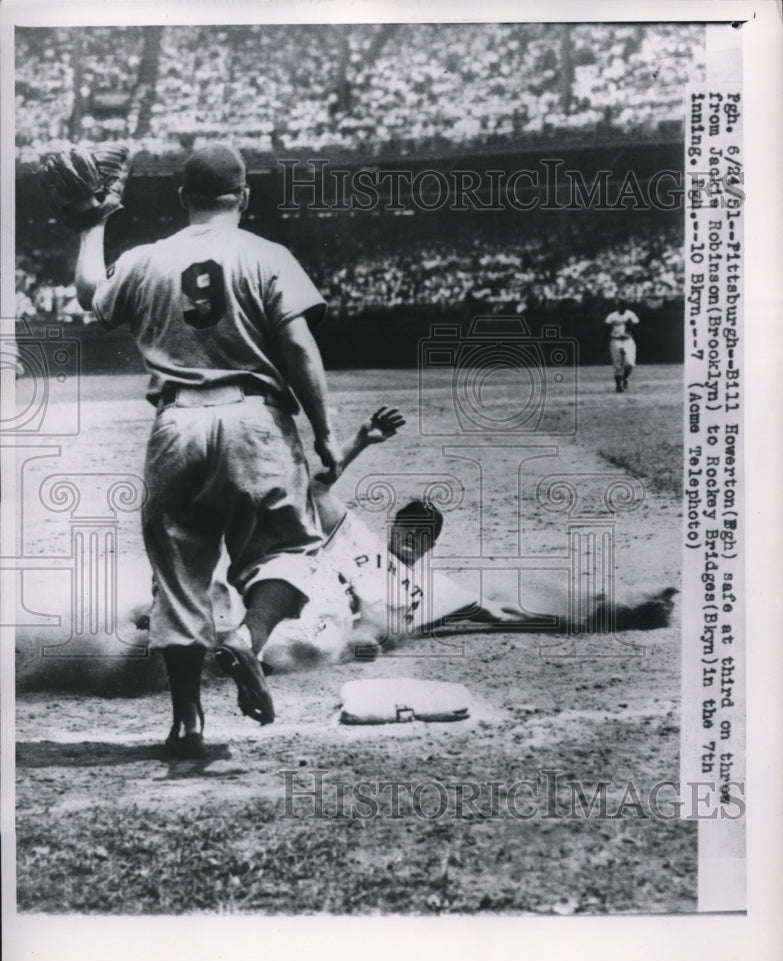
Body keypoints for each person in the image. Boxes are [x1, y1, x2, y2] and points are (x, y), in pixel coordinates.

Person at [74, 142, 342, 759]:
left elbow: (92, 294)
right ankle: (248, 637)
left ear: (181, 198)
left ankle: (188, 722)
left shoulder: (146, 258)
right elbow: (298, 345)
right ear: (243, 196)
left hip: (176, 424)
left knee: (179, 572)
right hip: (255, 421)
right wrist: (325, 430)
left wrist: (92, 226)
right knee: (291, 549)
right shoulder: (265, 254)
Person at [250, 407, 677, 674]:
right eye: (406, 530)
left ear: (430, 546)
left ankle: (635, 602)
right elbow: (316, 491)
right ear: (393, 529)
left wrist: (596, 618)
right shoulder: (359, 539)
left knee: (305, 645)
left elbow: (504, 614)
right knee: (282, 636)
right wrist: (361, 441)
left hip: (345, 625)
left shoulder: (438, 590)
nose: (411, 540)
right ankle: (248, 646)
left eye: (422, 536)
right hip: (322, 599)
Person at [604, 298, 640, 392]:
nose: (622, 307)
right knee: (618, 363)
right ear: (617, 306)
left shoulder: (631, 315)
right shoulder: (612, 316)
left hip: (628, 340)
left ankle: (625, 378)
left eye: (624, 305)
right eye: (620, 305)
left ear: (626, 306)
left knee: (630, 363)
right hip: (616, 340)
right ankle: (618, 385)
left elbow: (636, 328)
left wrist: (630, 326)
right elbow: (606, 329)